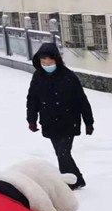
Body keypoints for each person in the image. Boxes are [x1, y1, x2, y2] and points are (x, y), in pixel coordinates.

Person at [27, 43, 94, 191]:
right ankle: (77, 179)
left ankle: (69, 182)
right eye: (43, 63)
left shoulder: (69, 77)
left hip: (68, 122)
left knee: (64, 153)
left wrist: (88, 122)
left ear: (56, 60)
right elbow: (32, 99)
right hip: (49, 122)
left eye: (49, 62)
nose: (46, 65)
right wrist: (31, 120)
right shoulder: (38, 76)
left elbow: (82, 100)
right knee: (60, 153)